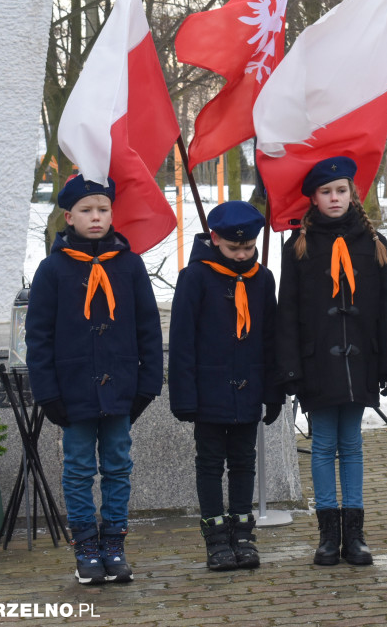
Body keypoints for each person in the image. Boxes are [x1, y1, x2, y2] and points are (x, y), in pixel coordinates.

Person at [26, 174, 163, 585]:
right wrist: (48, 393)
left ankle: (114, 543)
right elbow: (39, 336)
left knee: (119, 465)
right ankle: (86, 545)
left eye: (103, 209)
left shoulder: (130, 265)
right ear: (69, 217)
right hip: (73, 391)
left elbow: (148, 329)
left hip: (121, 389)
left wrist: (147, 384)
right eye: (87, 210)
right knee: (79, 467)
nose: (96, 217)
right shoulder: (52, 270)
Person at [274, 156, 387, 566]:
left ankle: (355, 535)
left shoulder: (374, 243)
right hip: (318, 363)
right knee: (323, 443)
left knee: (352, 445)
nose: (334, 198)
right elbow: (288, 311)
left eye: (341, 191)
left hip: (361, 360)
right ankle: (328, 535)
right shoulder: (297, 246)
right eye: (326, 192)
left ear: (353, 193)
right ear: (313, 197)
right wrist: (291, 367)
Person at [167, 201, 282, 571]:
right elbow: (182, 342)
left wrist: (273, 390)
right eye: (234, 248)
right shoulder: (195, 277)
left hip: (248, 389)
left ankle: (243, 534)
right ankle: (216, 539)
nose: (242, 254)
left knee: (245, 462)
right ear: (214, 239)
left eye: (249, 248)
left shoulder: (262, 279)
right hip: (209, 391)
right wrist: (184, 397)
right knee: (210, 463)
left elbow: (270, 339)